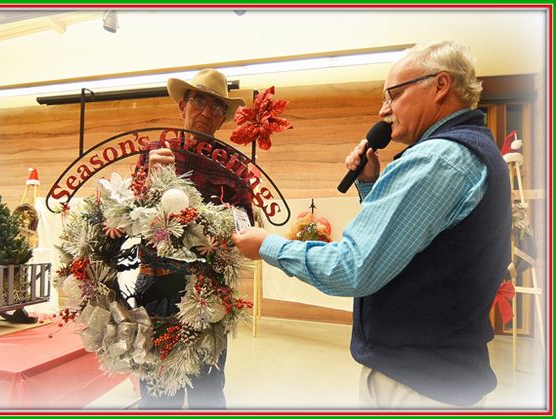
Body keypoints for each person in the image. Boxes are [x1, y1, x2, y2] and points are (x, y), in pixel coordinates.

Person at [231, 41, 511, 408]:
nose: (383, 110)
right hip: (440, 374)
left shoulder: (438, 159)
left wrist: (267, 245)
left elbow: (352, 268)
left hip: (418, 385)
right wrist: (370, 185)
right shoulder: (469, 150)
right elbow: (416, 242)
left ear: (441, 85)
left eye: (393, 95)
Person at [133, 68, 251, 409]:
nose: (206, 112)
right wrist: (147, 180)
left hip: (208, 291)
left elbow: (245, 225)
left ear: (223, 118)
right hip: (156, 285)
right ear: (182, 105)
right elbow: (128, 216)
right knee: (156, 392)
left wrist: (222, 230)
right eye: (199, 101)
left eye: (217, 108)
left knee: (208, 392)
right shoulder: (156, 153)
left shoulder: (235, 165)